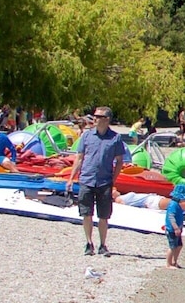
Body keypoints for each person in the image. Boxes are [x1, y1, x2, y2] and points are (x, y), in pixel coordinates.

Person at [69, 106, 128, 257]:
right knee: (86, 213)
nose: (94, 118)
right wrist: (71, 178)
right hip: (87, 180)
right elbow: (79, 157)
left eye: (98, 116)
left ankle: (103, 244)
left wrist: (113, 179)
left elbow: (120, 161)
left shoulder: (115, 138)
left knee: (104, 215)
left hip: (104, 182)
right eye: (94, 116)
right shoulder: (87, 136)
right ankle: (89, 243)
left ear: (106, 119)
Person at [163, 184, 185, 270]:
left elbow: (179, 215)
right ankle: (168, 264)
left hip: (178, 228)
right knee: (172, 247)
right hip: (172, 229)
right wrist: (176, 228)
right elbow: (171, 216)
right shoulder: (173, 205)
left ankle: (174, 261)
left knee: (179, 245)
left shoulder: (178, 205)